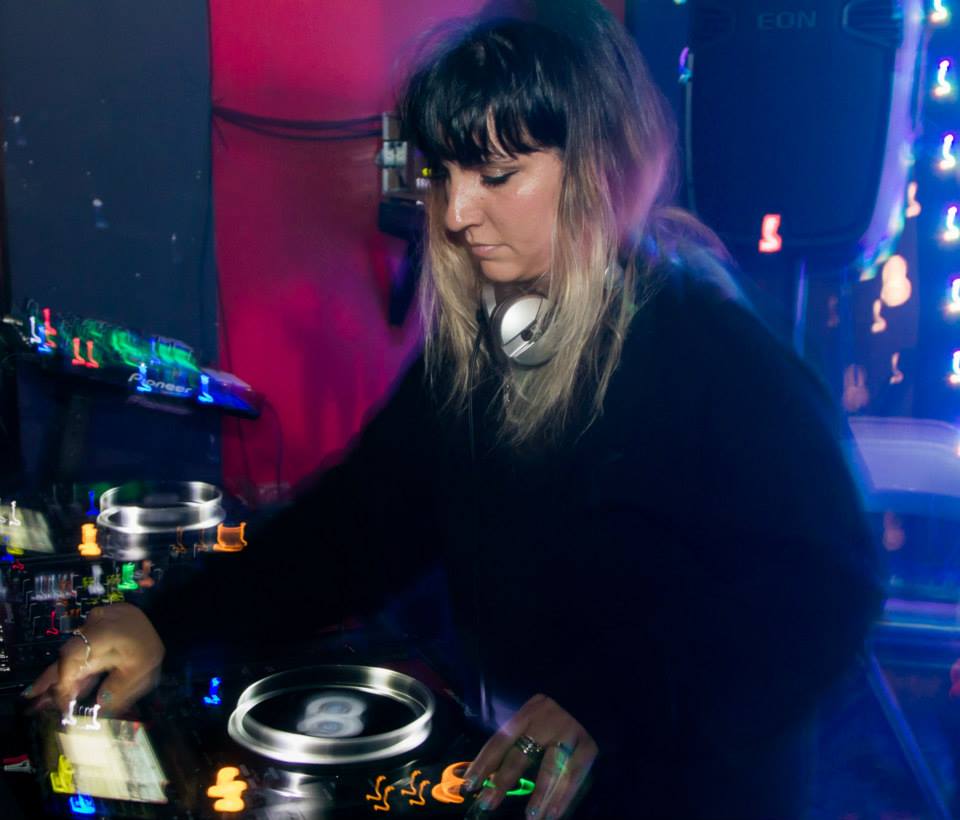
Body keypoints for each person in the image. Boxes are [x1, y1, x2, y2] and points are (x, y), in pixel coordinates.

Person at [26, 2, 883, 817]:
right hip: (521, 770)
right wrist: (164, 623)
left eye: (498, 175)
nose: (458, 212)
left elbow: (822, 593)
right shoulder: (489, 347)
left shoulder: (713, 350)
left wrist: (611, 699)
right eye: (444, 174)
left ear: (596, 169)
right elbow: (351, 530)